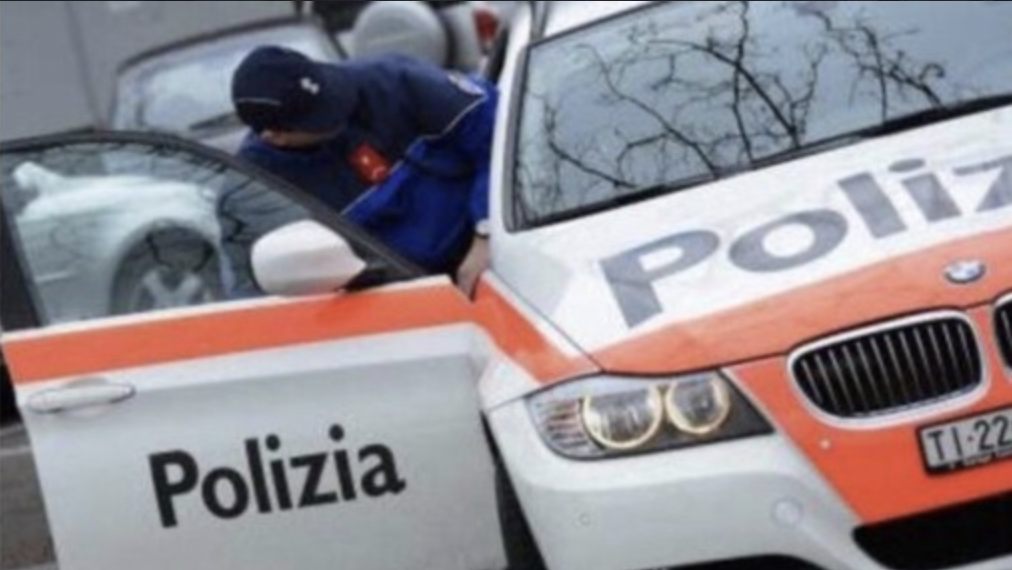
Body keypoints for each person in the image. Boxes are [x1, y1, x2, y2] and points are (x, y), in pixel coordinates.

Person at [230, 46, 497, 294]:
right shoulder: (257, 187)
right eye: (319, 115)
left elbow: (497, 132)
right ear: (275, 136)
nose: (338, 108)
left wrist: (485, 231)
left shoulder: (393, 80)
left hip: (492, 239)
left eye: (329, 96)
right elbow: (256, 282)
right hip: (389, 295)